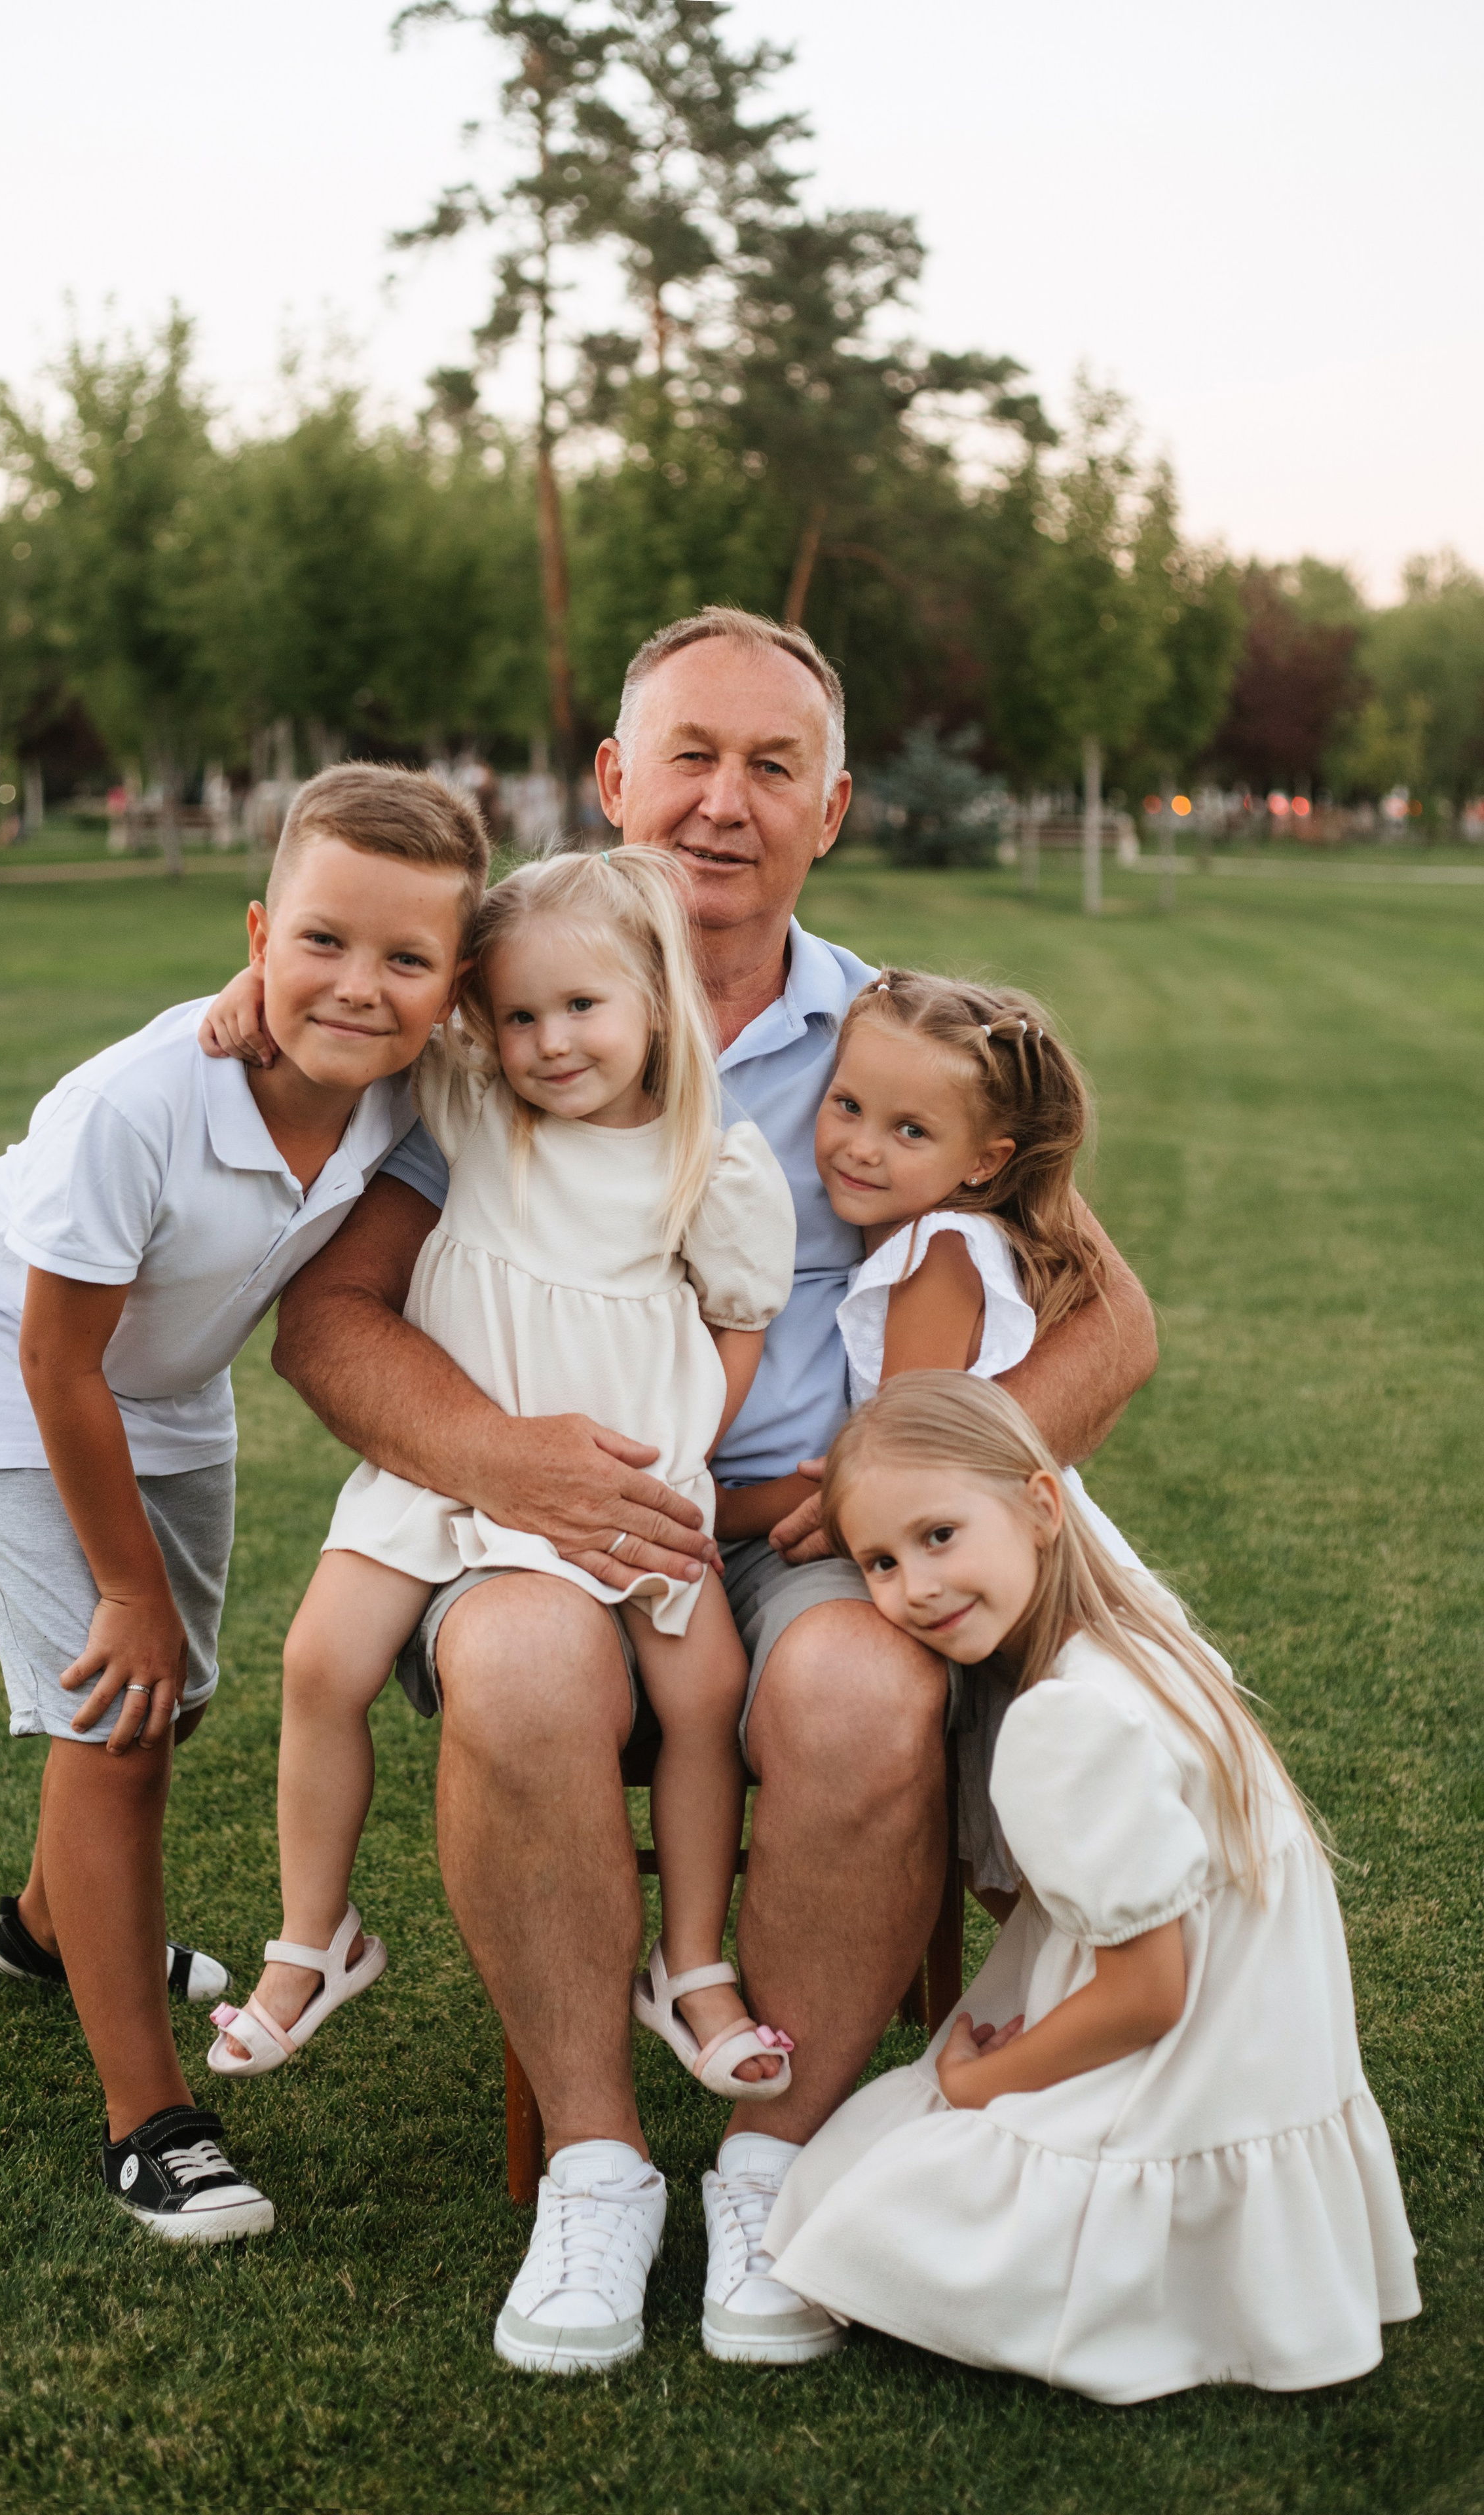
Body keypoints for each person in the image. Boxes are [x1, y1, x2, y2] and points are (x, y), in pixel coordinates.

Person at [242, 607, 1158, 2370]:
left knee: (862, 1682)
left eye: (772, 767)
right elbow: (332, 1326)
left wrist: (927, 1493)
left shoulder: (894, 1034)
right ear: (612, 780)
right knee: (515, 1665)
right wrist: (509, 1464)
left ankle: (771, 2160)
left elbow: (1111, 1324)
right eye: (688, 755)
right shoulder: (509, 994)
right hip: (553, 1522)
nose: (724, 802)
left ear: (835, 808)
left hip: (808, 1540)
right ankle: (599, 2163)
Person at [0, 764, 487, 2241]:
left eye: (406, 960)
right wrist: (124, 1585)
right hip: (16, 1371)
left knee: (177, 1703)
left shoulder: (410, 1084)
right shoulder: (135, 1107)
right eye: (320, 943)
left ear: (455, 986)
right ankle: (151, 2123)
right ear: (256, 933)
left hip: (168, 1388)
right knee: (115, 1715)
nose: (358, 987)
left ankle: (49, 1932)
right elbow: (55, 1358)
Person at [205, 847, 804, 2123]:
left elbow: (740, 1320)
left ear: (655, 995)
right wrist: (245, 994)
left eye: (580, 1007)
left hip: (620, 1480)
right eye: (519, 1015)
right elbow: (369, 1012)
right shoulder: (476, 1109)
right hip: (445, 1470)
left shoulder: (711, 1163)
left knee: (702, 1694)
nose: (547, 1042)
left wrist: (686, 1448)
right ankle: (312, 1943)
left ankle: (690, 1960)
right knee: (319, 1664)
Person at [766, 1372, 1420, 2401]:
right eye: (879, 1562)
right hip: (1257, 2067)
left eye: (940, 1536)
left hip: (1171, 2072)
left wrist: (982, 2082)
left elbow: (1146, 1997)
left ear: (1041, 1505)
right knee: (866, 2156)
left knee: (835, 2197)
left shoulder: (1063, 1724)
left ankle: (1114, 2258)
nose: (915, 1588)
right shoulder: (1150, 1637)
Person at [814, 965, 1145, 1900]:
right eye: (847, 1106)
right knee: (1030, 1824)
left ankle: (1085, 2008)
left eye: (909, 1131)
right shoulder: (928, 1235)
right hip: (972, 1540)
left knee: (1044, 1820)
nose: (862, 1149)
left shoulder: (932, 1253)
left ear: (985, 1162)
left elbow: (905, 1463)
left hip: (983, 1564)